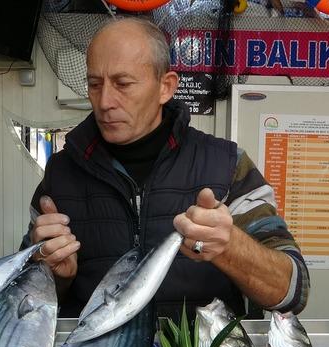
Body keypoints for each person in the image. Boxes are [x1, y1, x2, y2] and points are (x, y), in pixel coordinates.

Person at [21, 17, 309, 319]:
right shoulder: (61, 173)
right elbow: (23, 298)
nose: (105, 101)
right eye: (95, 84)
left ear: (166, 87)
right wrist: (55, 277)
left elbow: (292, 291)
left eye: (123, 84)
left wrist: (232, 248)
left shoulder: (226, 165)